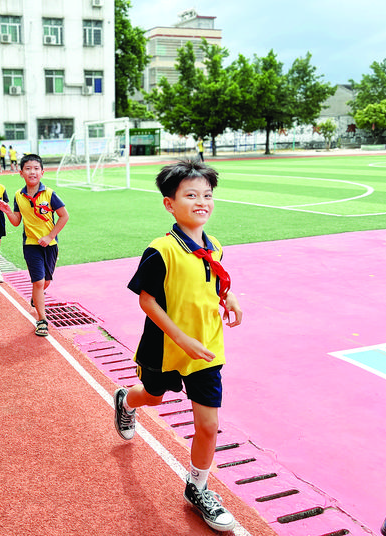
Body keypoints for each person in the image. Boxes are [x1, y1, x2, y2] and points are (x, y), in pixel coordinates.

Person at [113, 159, 242, 532]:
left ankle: (198, 488)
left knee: (208, 424)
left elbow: (213, 282)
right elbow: (147, 300)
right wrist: (180, 337)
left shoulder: (214, 245)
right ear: (170, 203)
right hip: (166, 348)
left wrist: (228, 298)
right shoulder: (161, 250)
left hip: (206, 350)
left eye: (207, 195)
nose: (202, 201)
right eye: (191, 195)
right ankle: (126, 400)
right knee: (152, 397)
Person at [0, 154, 69, 336]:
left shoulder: (49, 194)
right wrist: (6, 211)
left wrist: (50, 236)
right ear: (21, 173)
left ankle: (36, 297)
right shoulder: (18, 196)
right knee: (38, 281)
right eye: (28, 168)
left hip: (50, 244)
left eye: (36, 168)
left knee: (46, 281)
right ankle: (42, 320)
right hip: (30, 244)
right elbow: (16, 221)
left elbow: (64, 216)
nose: (32, 172)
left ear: (42, 172)